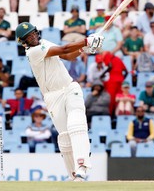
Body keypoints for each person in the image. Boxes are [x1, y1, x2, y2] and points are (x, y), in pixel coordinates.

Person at [15, 22, 104, 181]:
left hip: (70, 88)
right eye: (28, 37)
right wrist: (86, 41)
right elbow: (64, 49)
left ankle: (82, 165)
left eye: (33, 33)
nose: (33, 37)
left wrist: (84, 49)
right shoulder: (33, 52)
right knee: (64, 136)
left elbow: (67, 55)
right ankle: (74, 176)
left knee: (76, 124)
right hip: (52, 96)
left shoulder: (44, 44)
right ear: (24, 42)